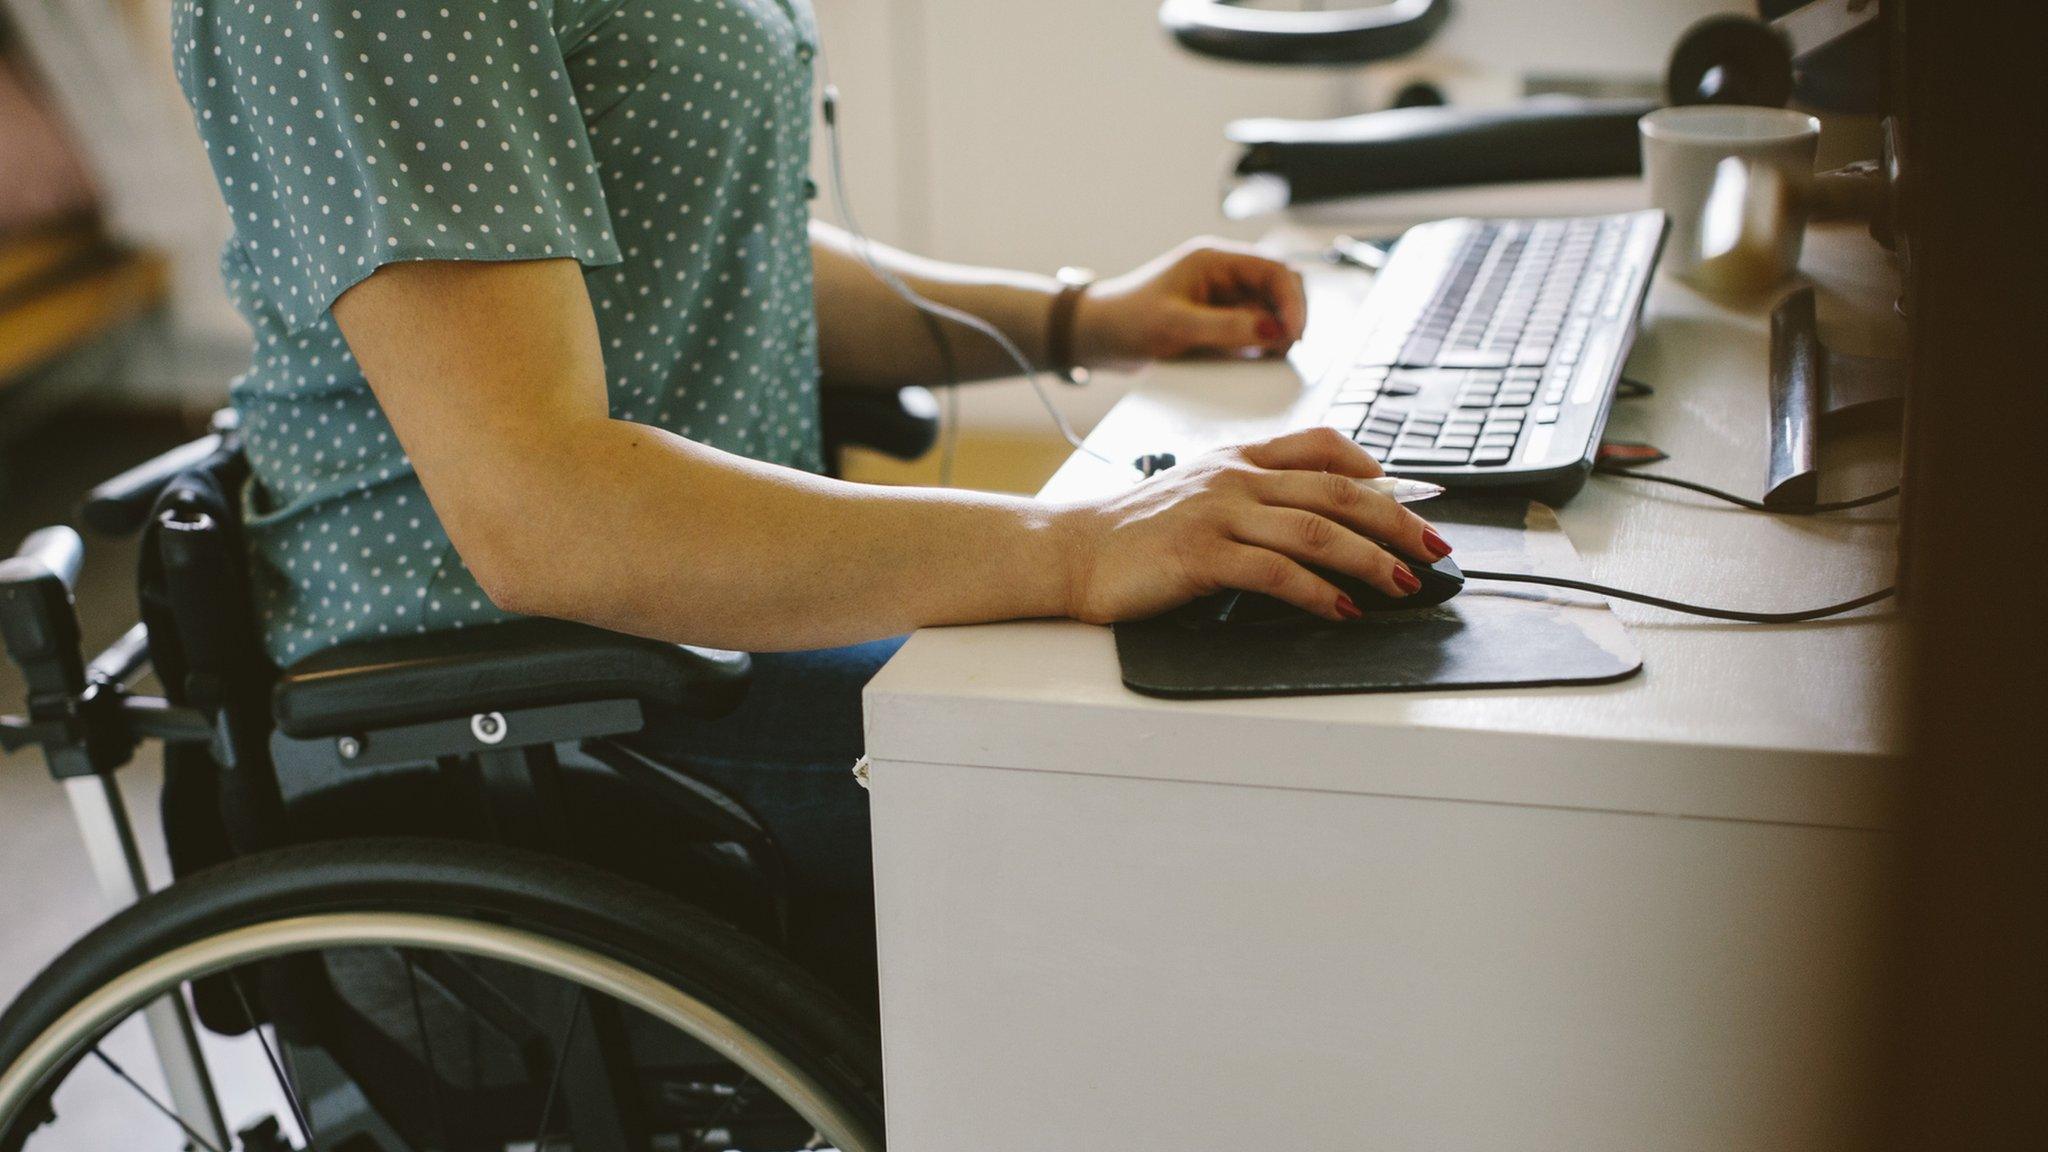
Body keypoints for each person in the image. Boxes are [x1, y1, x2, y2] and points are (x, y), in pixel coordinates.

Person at [170, 0, 1449, 1007]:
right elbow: (537, 512)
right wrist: (1071, 550)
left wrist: (1077, 319)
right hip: (513, 693)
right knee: (1220, 779)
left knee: (1262, 680)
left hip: (705, 612)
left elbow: (713, 242)